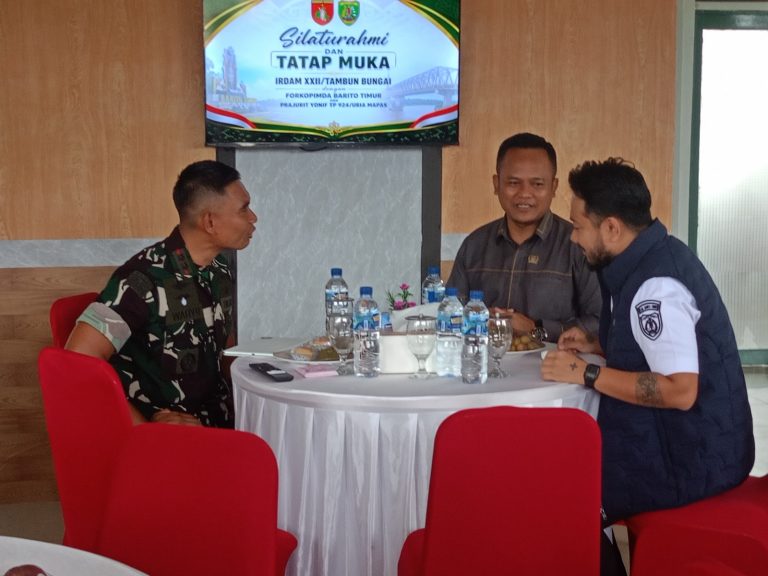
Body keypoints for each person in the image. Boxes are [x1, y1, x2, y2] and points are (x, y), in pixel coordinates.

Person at [542, 157, 754, 523]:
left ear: (612, 228)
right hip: (692, 447)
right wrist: (597, 345)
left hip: (690, 463)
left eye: (578, 227)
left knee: (560, 492)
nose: (573, 238)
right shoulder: (650, 258)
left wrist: (584, 373)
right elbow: (655, 350)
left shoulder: (656, 288)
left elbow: (679, 391)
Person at [66, 160, 258, 427]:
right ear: (210, 222)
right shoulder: (143, 279)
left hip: (218, 420)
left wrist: (259, 383)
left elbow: (225, 346)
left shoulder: (219, 271)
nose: (253, 218)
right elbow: (78, 359)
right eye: (244, 209)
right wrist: (142, 430)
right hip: (169, 434)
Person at [447, 132, 600, 342]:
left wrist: (536, 328)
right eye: (513, 183)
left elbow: (599, 323)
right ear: (496, 184)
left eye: (537, 184)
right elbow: (450, 315)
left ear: (554, 187)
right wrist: (477, 319)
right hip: (485, 361)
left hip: (554, 362)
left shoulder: (577, 244)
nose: (525, 193)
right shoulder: (474, 245)